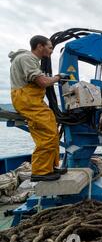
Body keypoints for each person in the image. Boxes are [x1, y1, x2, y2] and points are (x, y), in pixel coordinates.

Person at [9, 35, 67, 182]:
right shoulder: (27, 58)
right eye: (50, 47)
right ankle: (40, 171)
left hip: (33, 100)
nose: (51, 50)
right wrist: (58, 77)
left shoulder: (32, 60)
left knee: (53, 130)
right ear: (40, 46)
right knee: (47, 134)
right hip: (26, 100)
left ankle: (50, 167)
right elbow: (42, 82)